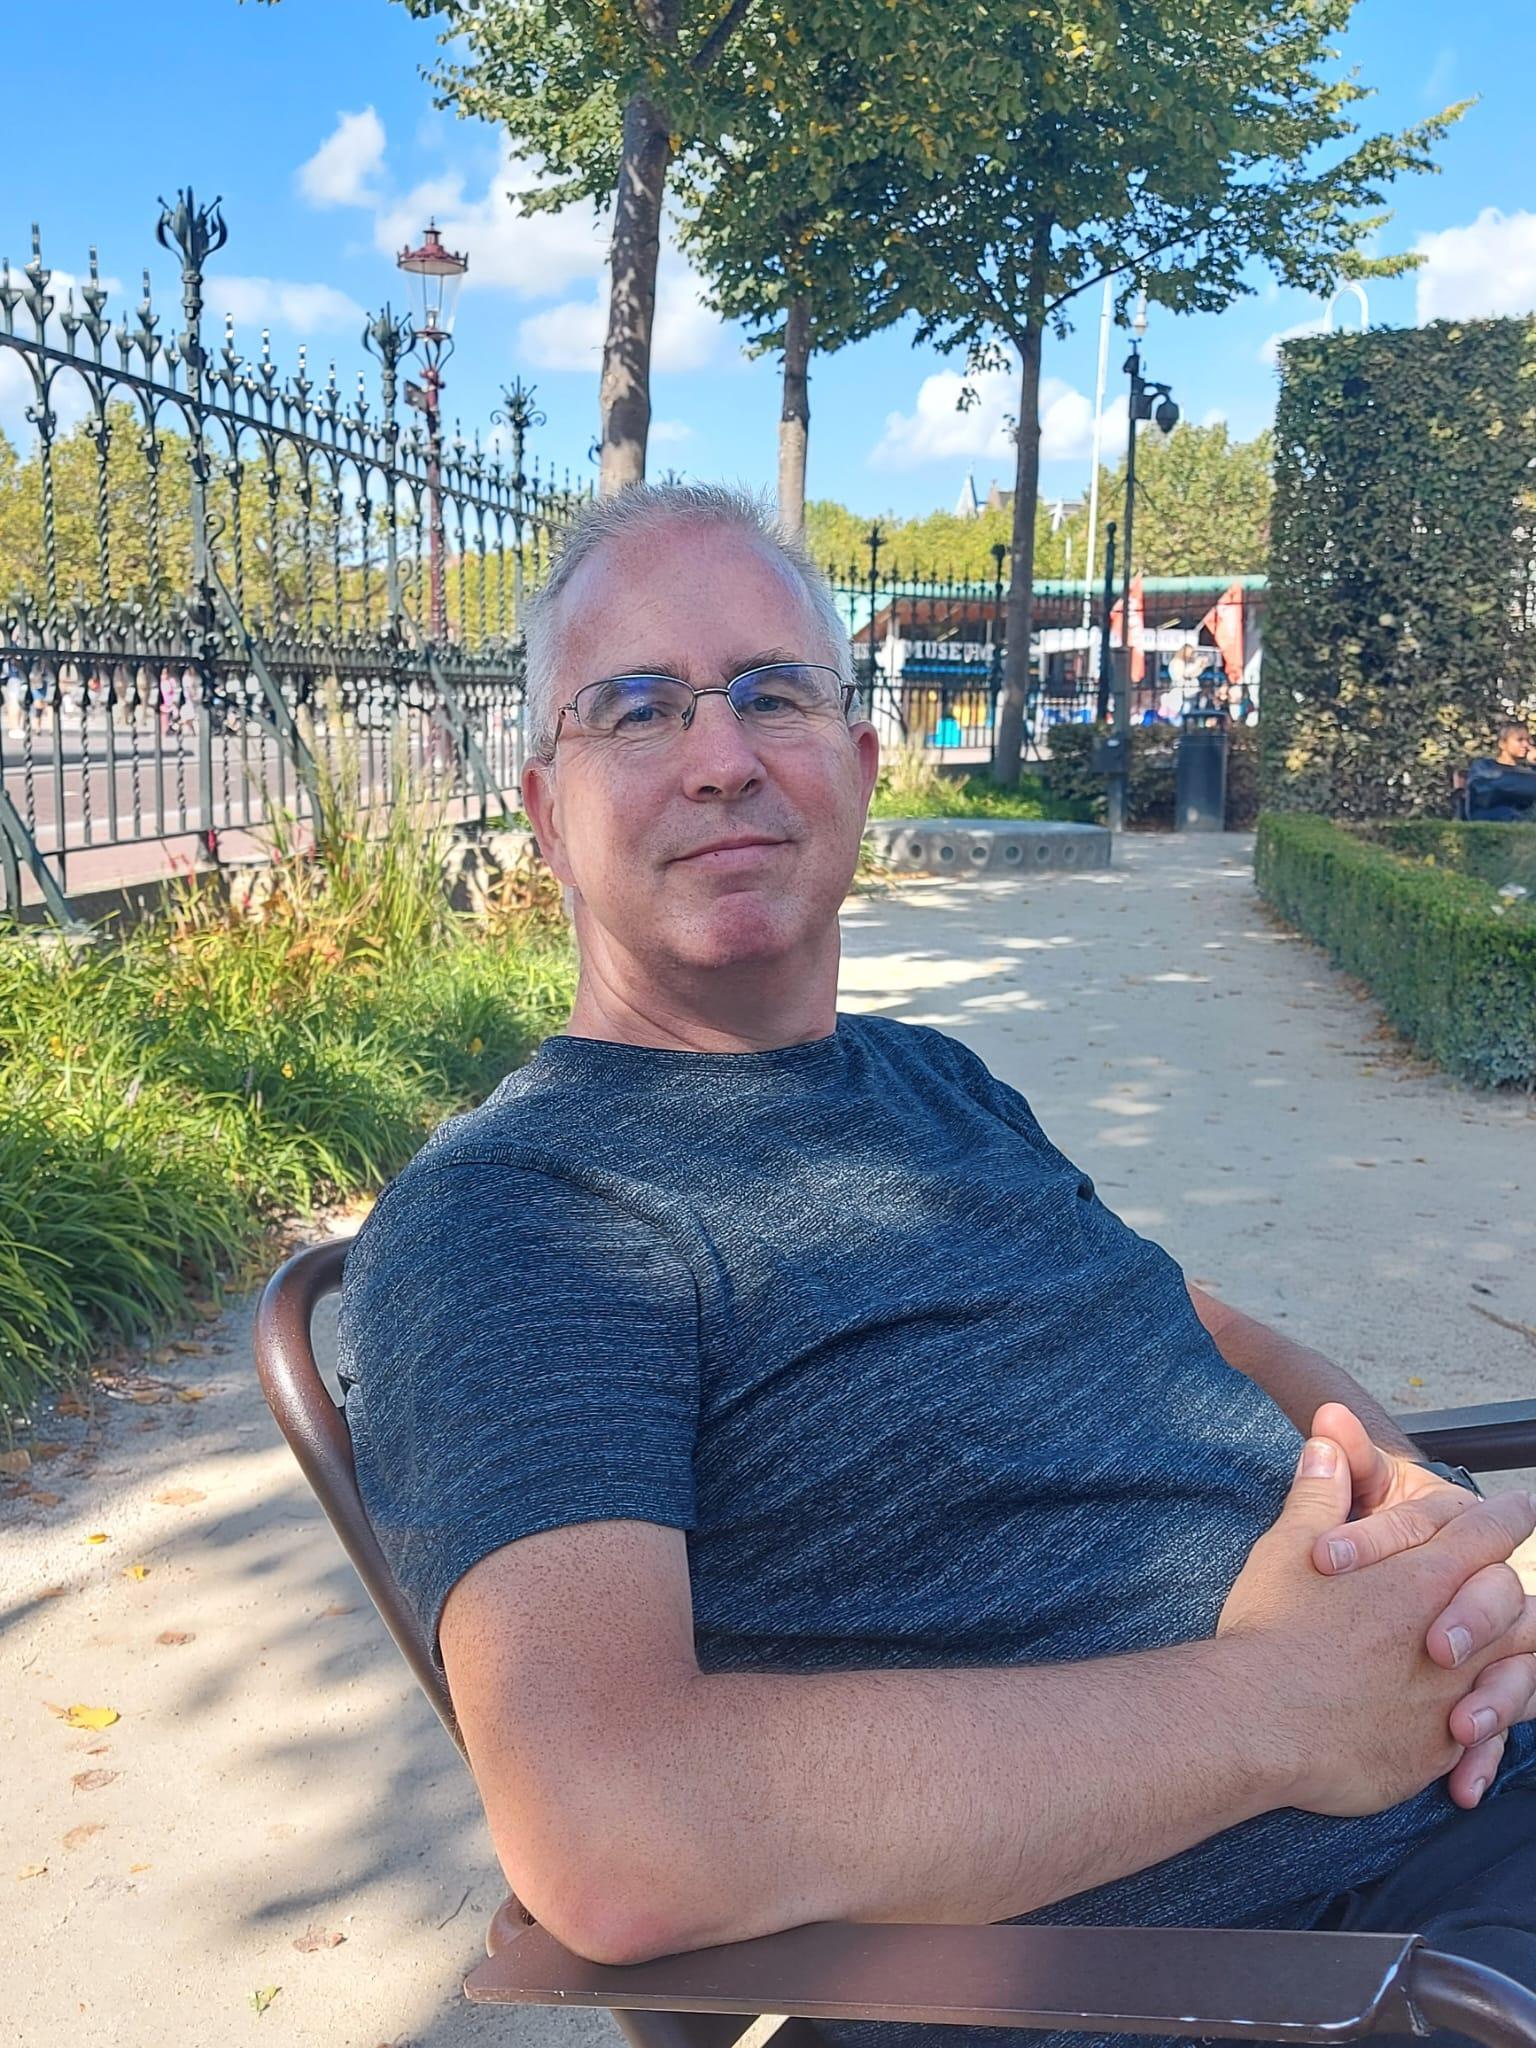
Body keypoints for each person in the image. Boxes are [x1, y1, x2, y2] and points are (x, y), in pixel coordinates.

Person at [337, 486, 1536, 2048]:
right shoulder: (524, 1210)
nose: (722, 756)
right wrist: (1281, 1709)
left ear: (857, 765)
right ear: (546, 811)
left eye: (773, 693)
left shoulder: (935, 1081)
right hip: (1301, 1971)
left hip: (1461, 1793)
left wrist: (1414, 1505)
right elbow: (609, 1826)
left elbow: (1209, 1331)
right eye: (637, 708)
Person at [1466, 719, 1536, 823]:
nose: (1526, 745)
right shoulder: (1484, 766)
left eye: (1528, 740)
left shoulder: (1530, 770)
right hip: (1489, 817)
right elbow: (1487, 791)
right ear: (1502, 744)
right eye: (1520, 740)